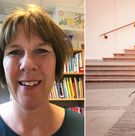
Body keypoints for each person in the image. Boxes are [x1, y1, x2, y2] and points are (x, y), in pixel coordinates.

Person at [0, 5, 84, 136]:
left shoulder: (82, 128)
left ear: (57, 63)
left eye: (41, 51)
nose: (27, 64)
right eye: (15, 52)